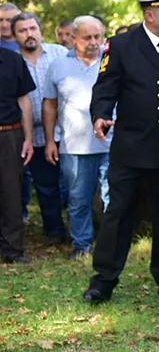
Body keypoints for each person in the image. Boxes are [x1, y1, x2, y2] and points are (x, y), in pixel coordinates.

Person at [84, 0, 159, 304]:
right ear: (149, 14)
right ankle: (103, 280)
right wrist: (100, 115)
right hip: (131, 147)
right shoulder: (121, 45)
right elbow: (105, 88)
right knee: (119, 215)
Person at [42, 16, 111, 258]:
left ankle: (112, 242)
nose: (93, 42)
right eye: (87, 37)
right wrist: (50, 140)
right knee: (78, 198)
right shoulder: (59, 65)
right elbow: (49, 104)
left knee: (112, 197)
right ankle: (82, 244)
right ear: (73, 38)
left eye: (97, 36)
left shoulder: (112, 61)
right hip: (74, 145)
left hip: (112, 143)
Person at [13, 12, 68, 246]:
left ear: (40, 30)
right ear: (14, 36)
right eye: (22, 31)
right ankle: (54, 231)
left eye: (32, 29)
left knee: (71, 184)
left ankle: (79, 229)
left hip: (65, 131)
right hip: (30, 134)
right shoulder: (13, 60)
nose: (29, 34)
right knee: (45, 186)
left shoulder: (60, 53)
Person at [0, 45, 35, 263]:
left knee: (11, 192)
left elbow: (24, 100)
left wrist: (28, 138)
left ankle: (12, 250)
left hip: (9, 135)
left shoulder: (13, 60)